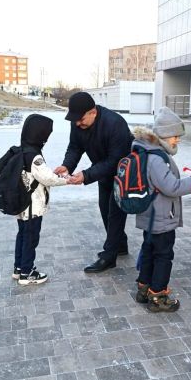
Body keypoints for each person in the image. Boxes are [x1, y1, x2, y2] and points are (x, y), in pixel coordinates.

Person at [54, 92, 133, 273]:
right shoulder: (78, 123)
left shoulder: (115, 124)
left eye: (80, 119)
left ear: (93, 112)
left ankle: (109, 256)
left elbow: (115, 160)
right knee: (104, 208)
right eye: (74, 120)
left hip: (123, 175)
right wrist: (67, 166)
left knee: (115, 213)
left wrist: (87, 175)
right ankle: (120, 245)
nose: (77, 124)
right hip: (102, 173)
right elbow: (75, 147)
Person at [133, 107, 191, 312]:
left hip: (151, 214)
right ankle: (158, 296)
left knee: (149, 251)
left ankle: (144, 289)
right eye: (175, 136)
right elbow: (171, 187)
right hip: (161, 216)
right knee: (163, 255)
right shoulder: (156, 157)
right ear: (163, 134)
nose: (177, 140)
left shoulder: (145, 150)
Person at [14, 114, 71, 285]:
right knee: (31, 238)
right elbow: (48, 178)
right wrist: (68, 179)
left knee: (23, 235)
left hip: (22, 205)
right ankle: (27, 272)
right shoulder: (34, 156)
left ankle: (19, 268)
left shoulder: (22, 149)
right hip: (33, 206)